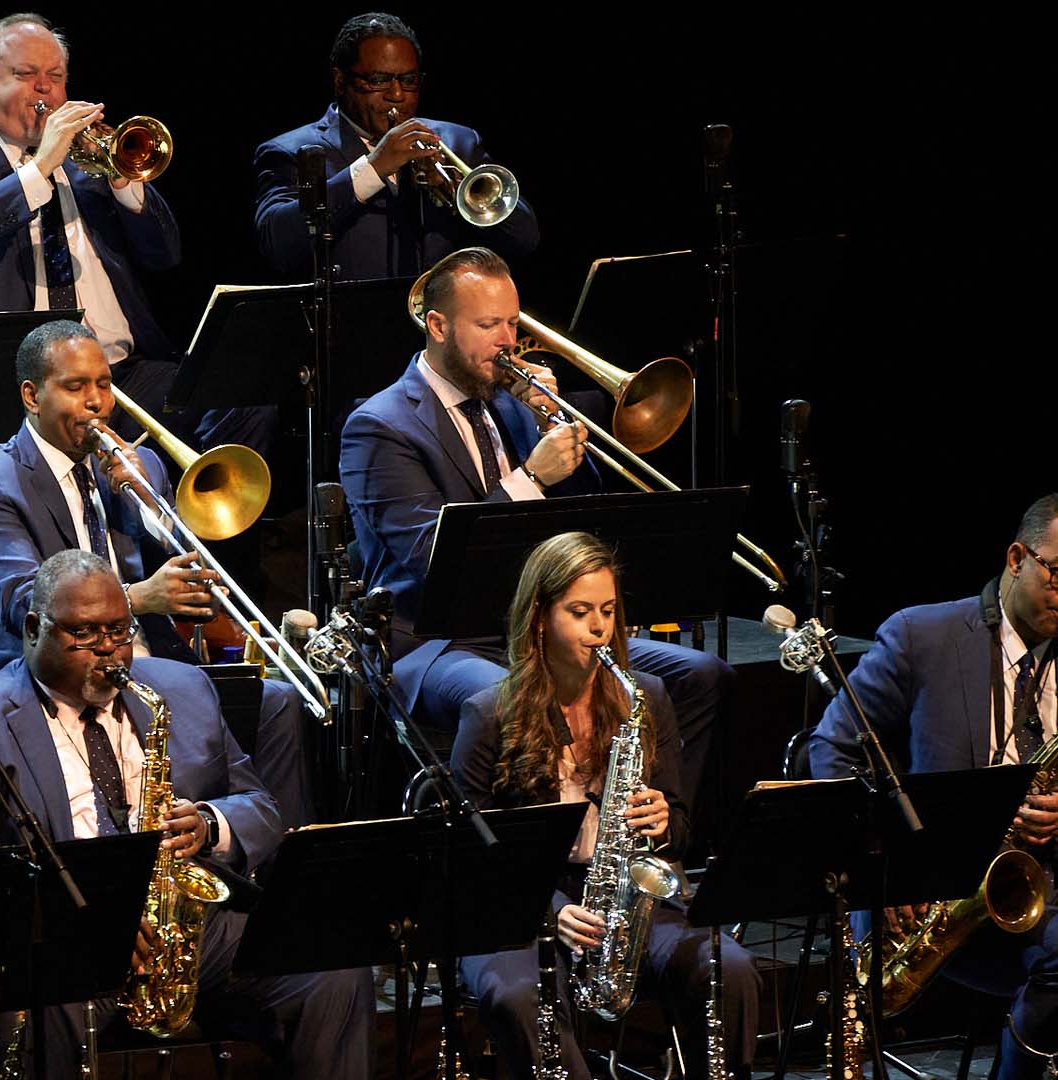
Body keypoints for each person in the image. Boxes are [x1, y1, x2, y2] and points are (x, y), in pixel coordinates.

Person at [0, 550, 373, 1077]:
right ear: (33, 629)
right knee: (38, 1005)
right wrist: (78, 925)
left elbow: (259, 806)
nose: (108, 652)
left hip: (181, 926)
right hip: (55, 943)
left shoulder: (181, 688)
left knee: (330, 966)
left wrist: (210, 823)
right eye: (85, 634)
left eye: (120, 631)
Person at [339, 246, 733, 797]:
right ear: (437, 325)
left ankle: (653, 841)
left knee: (699, 675)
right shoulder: (381, 426)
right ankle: (545, 863)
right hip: (437, 642)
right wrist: (531, 477)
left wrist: (551, 420)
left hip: (537, 628)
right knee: (514, 699)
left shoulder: (510, 403)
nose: (507, 341)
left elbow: (582, 526)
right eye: (488, 325)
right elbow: (433, 560)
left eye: (511, 323)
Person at [0, 319, 312, 826]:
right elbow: (23, 601)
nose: (96, 401)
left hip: (145, 665)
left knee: (277, 702)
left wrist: (148, 501)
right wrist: (140, 597)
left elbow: (188, 564)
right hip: (45, 670)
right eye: (76, 387)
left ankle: (266, 861)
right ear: (32, 396)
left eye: (103, 384)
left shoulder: (135, 469)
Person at [451, 532, 758, 1080]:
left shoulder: (645, 698)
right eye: (580, 612)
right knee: (521, 995)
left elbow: (683, 831)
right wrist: (550, 910)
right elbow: (469, 858)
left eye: (609, 612)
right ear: (540, 619)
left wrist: (663, 824)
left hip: (622, 897)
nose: (600, 629)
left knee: (727, 969)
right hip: (518, 912)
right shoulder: (487, 715)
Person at [810, 494, 1058, 1080]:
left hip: (1037, 882)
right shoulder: (922, 635)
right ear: (1017, 557)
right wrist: (889, 869)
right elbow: (830, 751)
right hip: (929, 891)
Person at [0, 14, 211, 440]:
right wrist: (41, 165)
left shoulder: (88, 167)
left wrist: (122, 177)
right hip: (26, 390)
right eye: (26, 75)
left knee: (239, 401)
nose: (44, 88)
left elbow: (165, 255)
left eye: (55, 76)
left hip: (122, 375)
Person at [253, 12, 539, 281]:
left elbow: (524, 239)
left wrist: (457, 194)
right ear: (341, 81)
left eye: (409, 80)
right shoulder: (291, 151)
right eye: (378, 81)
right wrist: (373, 169)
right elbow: (277, 245)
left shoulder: (458, 141)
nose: (397, 95)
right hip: (354, 325)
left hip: (441, 326)